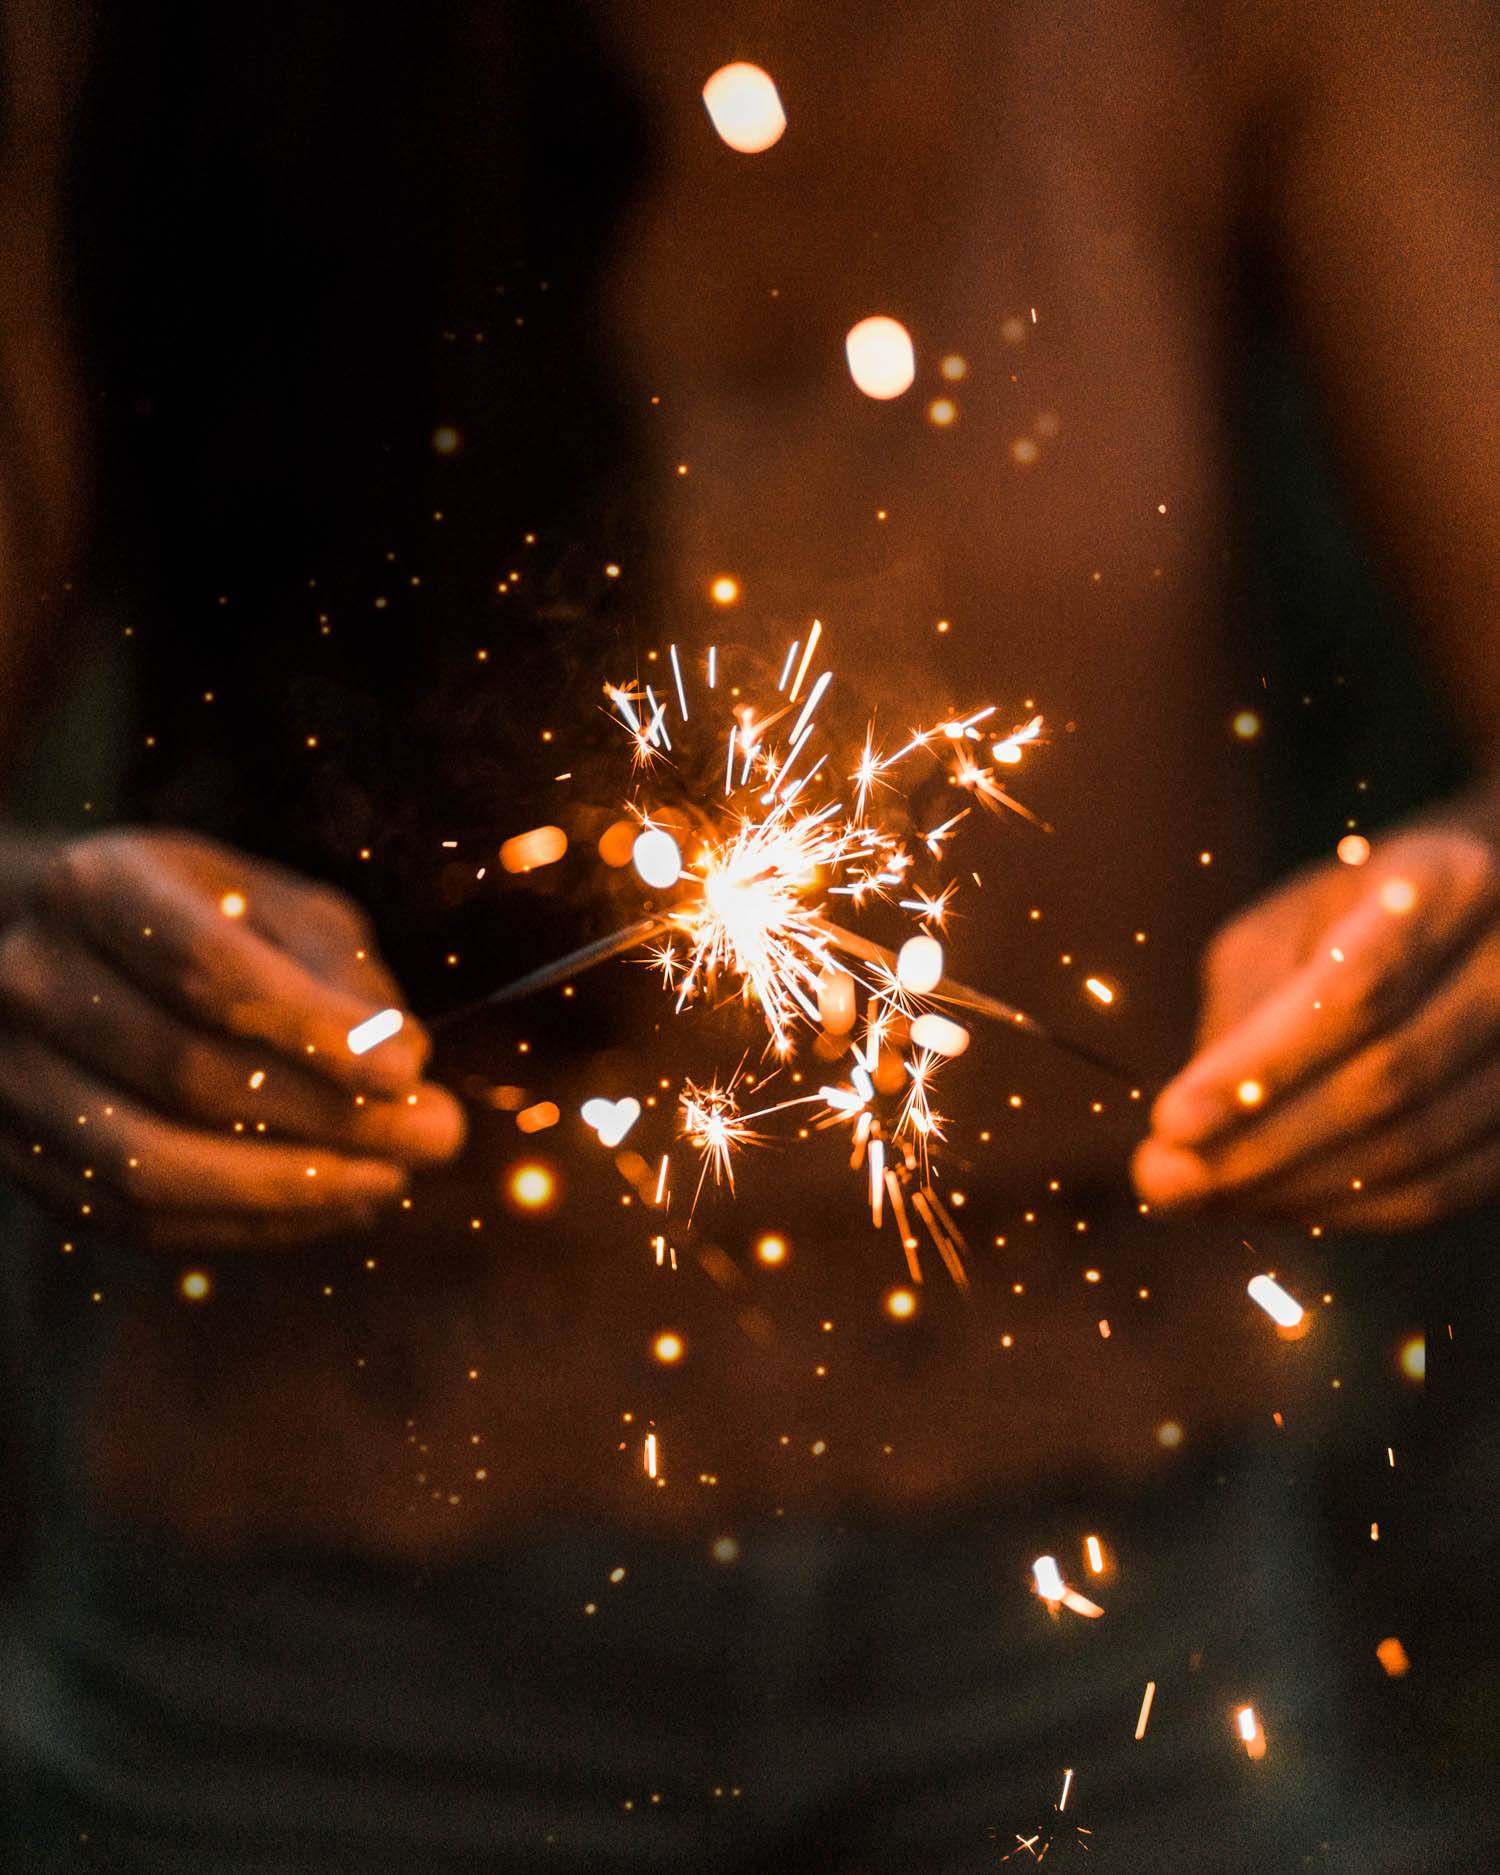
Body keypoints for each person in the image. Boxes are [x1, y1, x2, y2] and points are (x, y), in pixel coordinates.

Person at [0, 0, 1495, 1867]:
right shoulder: (106, 47)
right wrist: (37, 957)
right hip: (311, 1652)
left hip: (1100, 1634)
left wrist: (1467, 945)